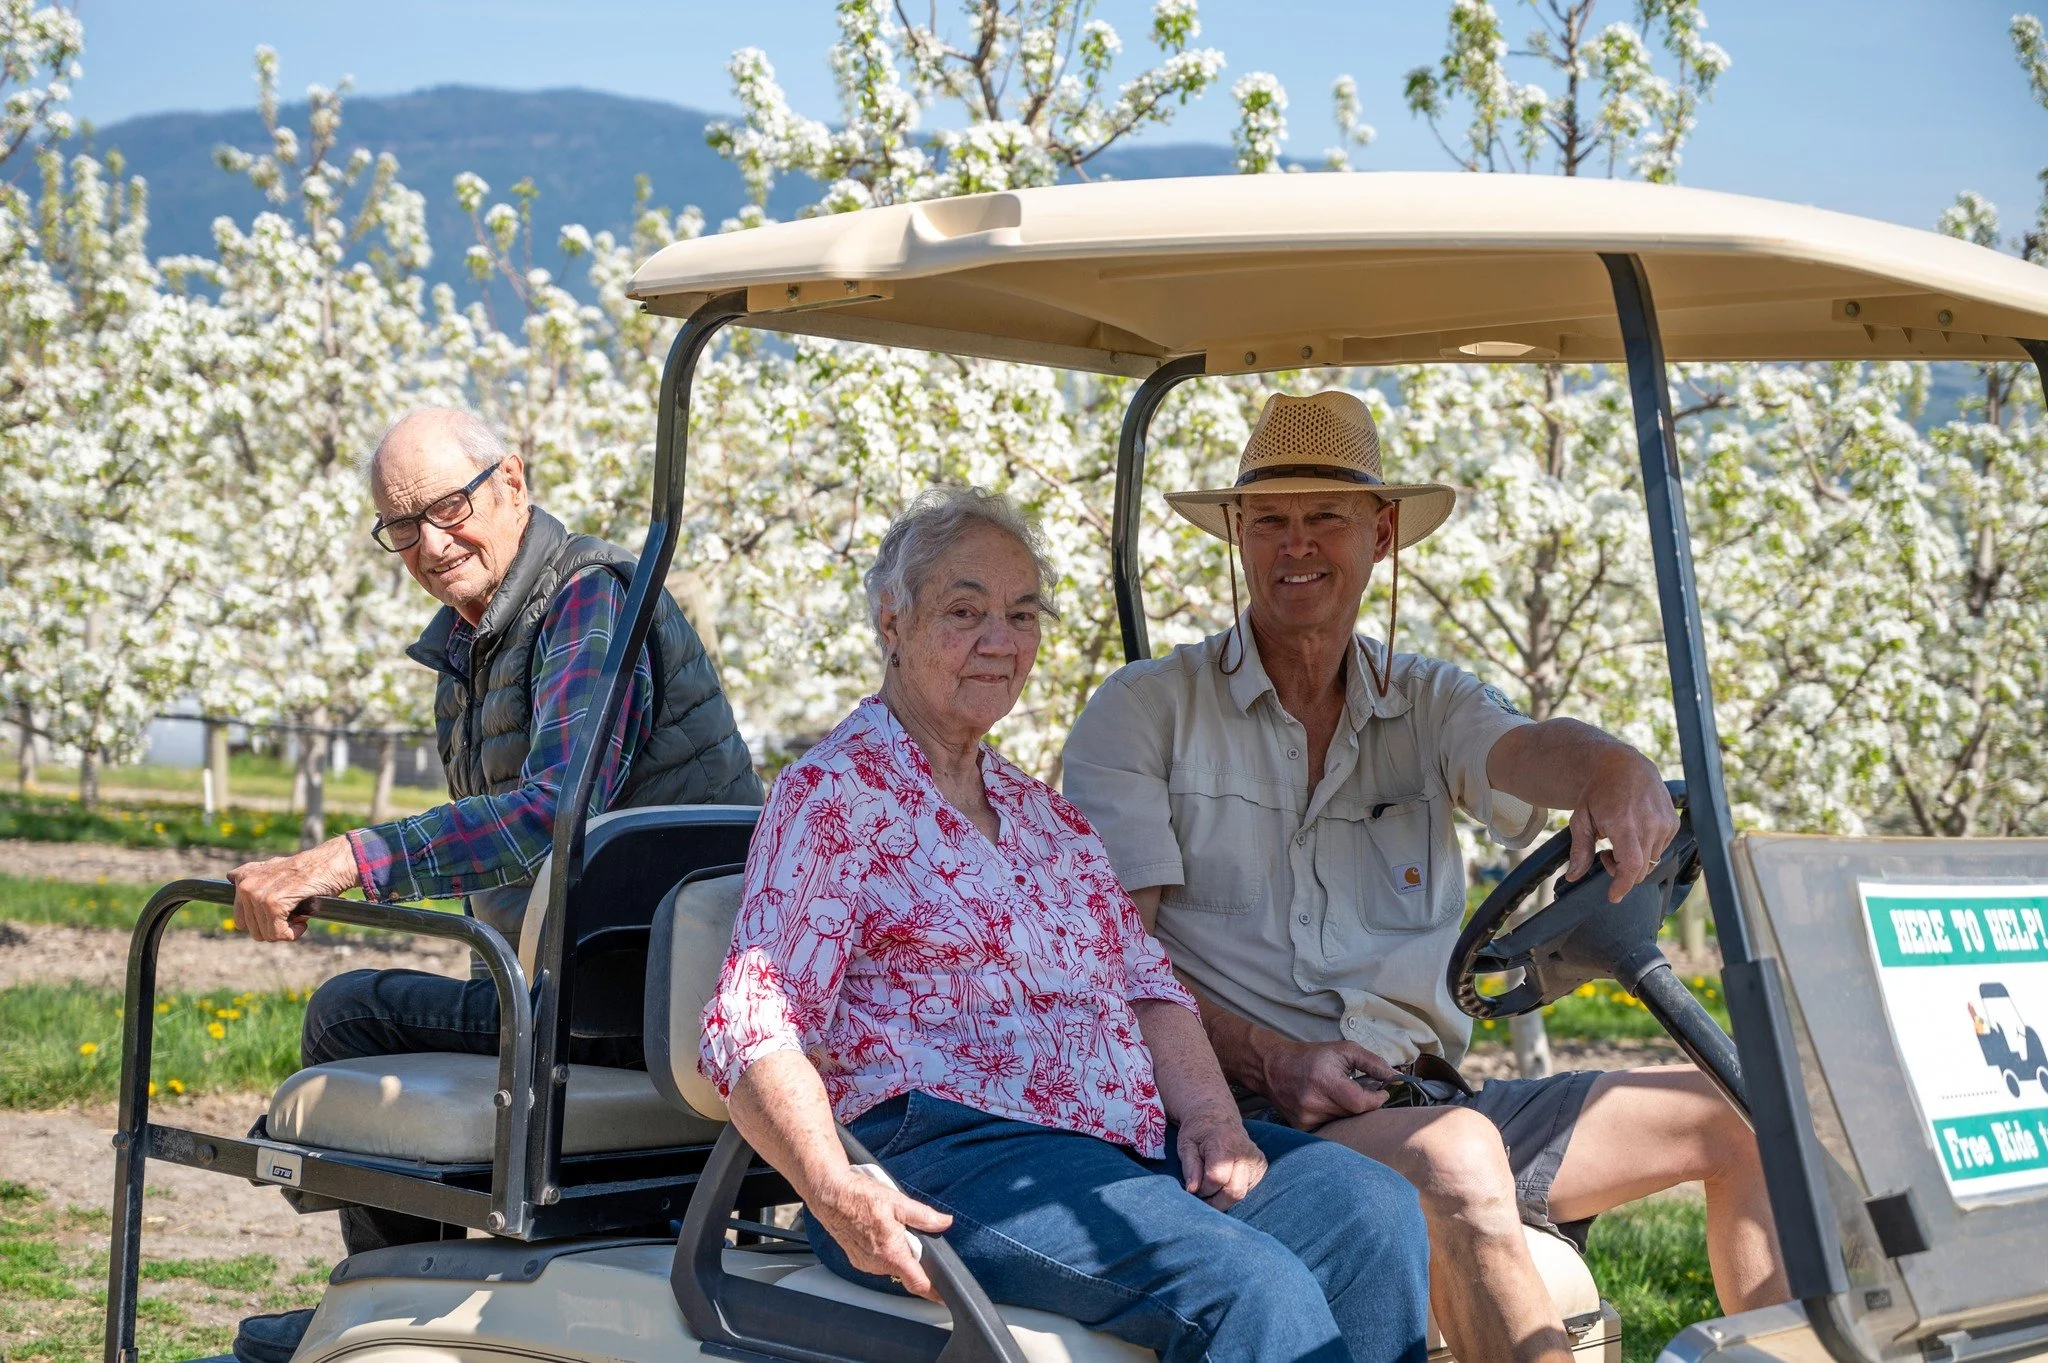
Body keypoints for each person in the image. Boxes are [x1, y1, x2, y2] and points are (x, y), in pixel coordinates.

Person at [1061, 391, 1788, 1363]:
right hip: (1247, 1115)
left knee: (1740, 1113)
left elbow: (1526, 749)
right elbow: (1114, 958)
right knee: (1457, 1157)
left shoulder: (1427, 701)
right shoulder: (1143, 711)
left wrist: (1609, 766)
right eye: (1268, 520)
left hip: (1426, 1096)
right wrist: (1266, 1055)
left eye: (1326, 517)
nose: (1295, 545)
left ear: (1382, 532)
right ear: (1236, 534)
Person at [698, 486, 1429, 1363]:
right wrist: (830, 1185)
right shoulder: (833, 797)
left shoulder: (1046, 817)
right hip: (942, 1151)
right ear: (892, 622)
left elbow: (1148, 986)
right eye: (964, 611)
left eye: (1021, 612)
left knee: (1372, 1210)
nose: (999, 640)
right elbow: (754, 1022)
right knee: (1252, 1285)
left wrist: (1211, 1117)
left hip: (1113, 1141)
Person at [226, 406, 761, 1256]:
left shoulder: (589, 600)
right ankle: (427, 1284)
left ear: (511, 482)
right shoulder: (476, 644)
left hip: (635, 1013)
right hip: (599, 996)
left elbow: (549, 815)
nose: (430, 545)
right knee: (369, 1010)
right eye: (402, 526)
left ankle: (399, 1293)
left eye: (447, 508)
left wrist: (346, 859)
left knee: (348, 1015)